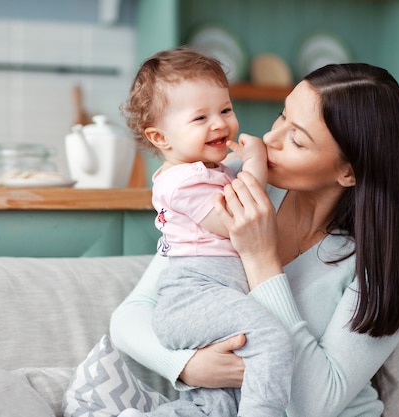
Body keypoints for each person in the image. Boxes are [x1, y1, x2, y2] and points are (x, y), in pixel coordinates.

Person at [110, 61, 399, 417]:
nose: (271, 139)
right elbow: (131, 315)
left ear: (348, 172)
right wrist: (189, 365)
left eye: (297, 139)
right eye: (281, 115)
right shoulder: (233, 185)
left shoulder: (388, 265)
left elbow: (316, 403)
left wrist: (261, 260)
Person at [117, 47, 293, 417]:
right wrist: (256, 163)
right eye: (200, 117)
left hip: (213, 297)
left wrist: (240, 165)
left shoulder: (210, 171)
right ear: (161, 138)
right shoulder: (182, 181)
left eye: (225, 110)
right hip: (192, 296)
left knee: (218, 404)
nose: (219, 124)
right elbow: (235, 219)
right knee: (273, 339)